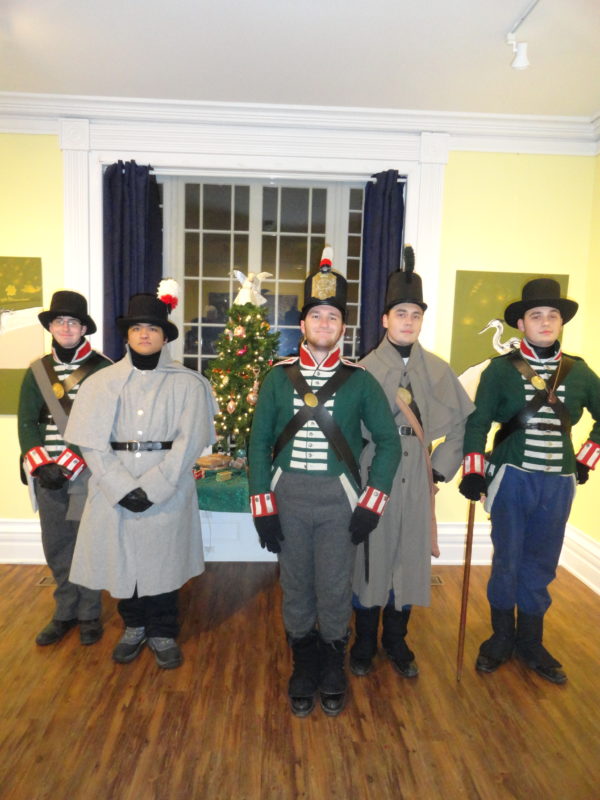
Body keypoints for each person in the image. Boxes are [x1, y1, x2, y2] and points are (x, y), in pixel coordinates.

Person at [248, 247, 401, 717]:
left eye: (333, 317)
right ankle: (303, 663)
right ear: (303, 324)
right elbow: (259, 444)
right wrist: (263, 508)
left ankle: (333, 662)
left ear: (342, 328)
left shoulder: (360, 380)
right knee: (296, 585)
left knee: (335, 586)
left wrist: (371, 502)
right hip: (288, 497)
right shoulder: (277, 378)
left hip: (340, 501)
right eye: (316, 315)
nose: (324, 323)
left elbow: (389, 444)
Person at [64, 286, 217, 669]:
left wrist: (155, 487)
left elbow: (190, 442)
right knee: (122, 560)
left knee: (164, 562)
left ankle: (163, 630)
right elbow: (91, 443)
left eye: (152, 328)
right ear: (127, 336)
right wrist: (119, 487)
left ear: (165, 336)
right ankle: (133, 626)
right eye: (137, 328)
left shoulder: (189, 384)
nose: (144, 335)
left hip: (168, 486)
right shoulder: (100, 383)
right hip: (113, 484)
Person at [459, 278, 600, 684]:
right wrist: (473, 470)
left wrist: (585, 459)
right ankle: (502, 636)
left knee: (542, 560)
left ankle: (531, 641)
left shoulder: (579, 371)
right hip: (512, 478)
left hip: (558, 482)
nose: (545, 322)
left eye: (552, 315)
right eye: (536, 315)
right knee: (507, 558)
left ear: (561, 322)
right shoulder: (500, 370)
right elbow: (478, 422)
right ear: (521, 323)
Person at [350, 247, 474, 678]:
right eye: (400, 313)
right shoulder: (362, 371)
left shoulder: (438, 370)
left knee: (409, 556)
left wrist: (438, 469)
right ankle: (365, 641)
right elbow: (347, 432)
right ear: (385, 319)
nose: (408, 321)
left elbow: (461, 425)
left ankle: (397, 641)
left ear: (421, 321)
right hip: (375, 474)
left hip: (419, 478)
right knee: (372, 557)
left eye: (415, 315)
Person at [18, 290, 111, 646]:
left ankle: (89, 612)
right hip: (47, 474)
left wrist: (70, 461)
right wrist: (41, 463)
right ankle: (64, 611)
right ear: (51, 327)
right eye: (59, 321)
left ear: (84, 328)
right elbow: (27, 422)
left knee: (88, 543)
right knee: (57, 543)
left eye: (73, 322)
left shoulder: (103, 368)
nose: (66, 327)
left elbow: (103, 422)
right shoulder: (37, 371)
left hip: (86, 471)